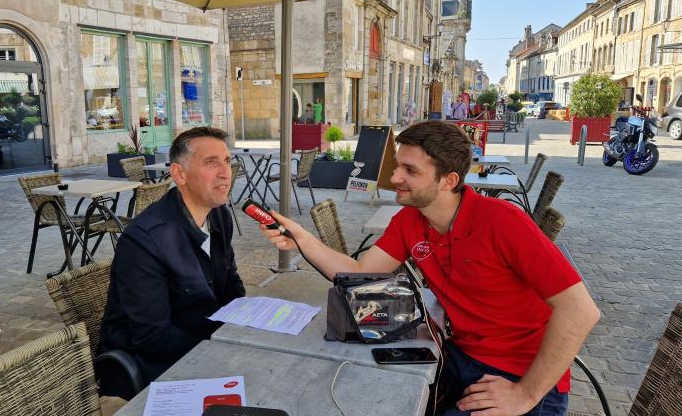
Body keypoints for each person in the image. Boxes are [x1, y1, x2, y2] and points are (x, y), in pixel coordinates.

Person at [258, 121, 600, 416]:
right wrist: (302, 238)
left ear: (448, 180)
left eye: (410, 171)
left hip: (521, 375)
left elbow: (580, 310)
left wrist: (525, 393)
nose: (394, 178)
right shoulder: (410, 220)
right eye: (397, 166)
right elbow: (360, 272)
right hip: (461, 354)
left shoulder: (503, 221)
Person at [100, 126, 246, 395]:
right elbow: (153, 337)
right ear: (179, 174)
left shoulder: (220, 216)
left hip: (205, 344)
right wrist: (221, 347)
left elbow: (231, 284)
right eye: (211, 163)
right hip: (153, 368)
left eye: (227, 161)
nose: (226, 172)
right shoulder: (145, 241)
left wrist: (245, 329)